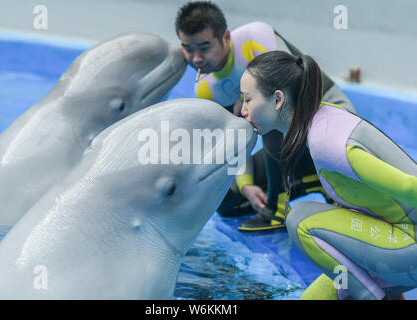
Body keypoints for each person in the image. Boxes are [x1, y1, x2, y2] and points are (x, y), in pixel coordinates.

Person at [239, 50, 417, 300]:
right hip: (392, 240)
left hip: (407, 246)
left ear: (277, 99)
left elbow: (411, 188)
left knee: (300, 219)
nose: (242, 110)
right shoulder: (320, 119)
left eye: (248, 99)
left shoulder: (327, 141)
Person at [175, 1, 356, 231]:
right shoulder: (206, 89)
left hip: (331, 121)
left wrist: (249, 98)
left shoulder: (254, 38)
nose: (197, 58)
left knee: (272, 112)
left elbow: (287, 97)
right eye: (188, 49)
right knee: (227, 200)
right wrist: (245, 185)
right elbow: (233, 143)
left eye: (204, 47)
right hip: (293, 147)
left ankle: (277, 208)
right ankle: (310, 179)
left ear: (226, 38)